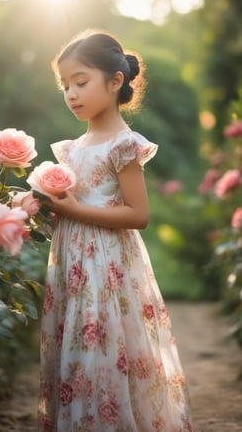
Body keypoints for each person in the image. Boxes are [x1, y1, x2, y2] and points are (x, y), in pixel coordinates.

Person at [38, 29, 194, 432]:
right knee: (76, 342)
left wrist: (77, 210)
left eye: (81, 81)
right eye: (65, 85)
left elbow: (138, 214)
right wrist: (42, 206)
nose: (71, 93)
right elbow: (73, 202)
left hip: (106, 265)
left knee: (102, 345)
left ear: (115, 81)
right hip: (73, 261)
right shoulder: (72, 148)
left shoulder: (123, 145)